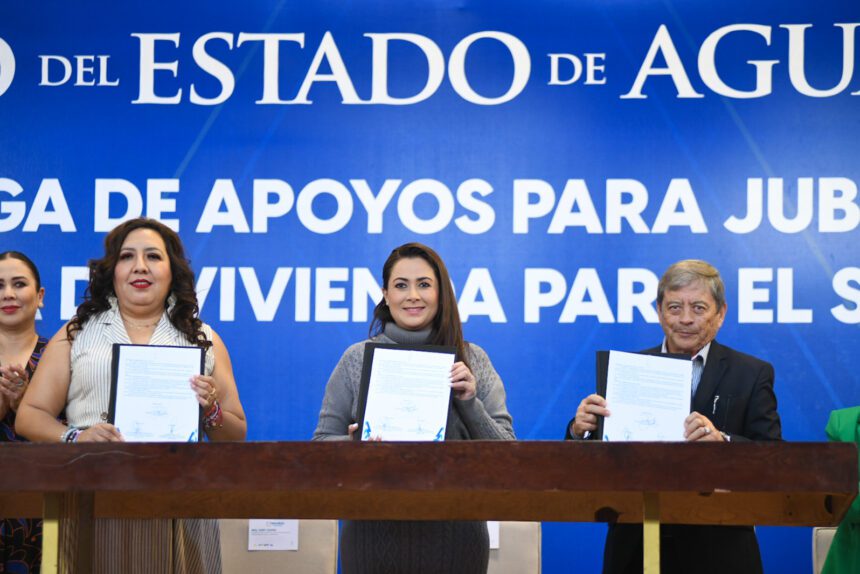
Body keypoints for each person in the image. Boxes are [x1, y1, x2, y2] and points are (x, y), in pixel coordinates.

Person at [17, 217, 247, 574]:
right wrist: (76, 436)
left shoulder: (202, 339)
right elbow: (29, 415)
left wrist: (211, 409)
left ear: (173, 272)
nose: (140, 266)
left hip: (180, 505)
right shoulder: (77, 333)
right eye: (127, 257)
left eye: (153, 256)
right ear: (113, 271)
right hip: (91, 497)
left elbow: (236, 433)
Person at [566, 259, 781, 574]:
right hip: (635, 547)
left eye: (698, 308)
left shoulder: (751, 373)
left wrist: (725, 442)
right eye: (674, 308)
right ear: (658, 311)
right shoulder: (627, 371)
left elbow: (776, 459)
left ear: (721, 313)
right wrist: (579, 431)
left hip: (720, 551)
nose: (685, 320)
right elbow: (587, 468)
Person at [313, 242, 515, 574]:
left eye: (424, 284)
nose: (412, 295)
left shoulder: (473, 359)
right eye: (401, 285)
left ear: (441, 293)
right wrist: (351, 446)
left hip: (456, 547)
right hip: (370, 544)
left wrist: (470, 403)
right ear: (385, 294)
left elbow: (511, 458)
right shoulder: (355, 359)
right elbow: (319, 448)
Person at [0, 251, 48, 573]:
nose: (8, 294)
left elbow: (74, 434)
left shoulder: (58, 357)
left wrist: (26, 406)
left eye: (19, 284)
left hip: (42, 508)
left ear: (39, 296)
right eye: (0, 285)